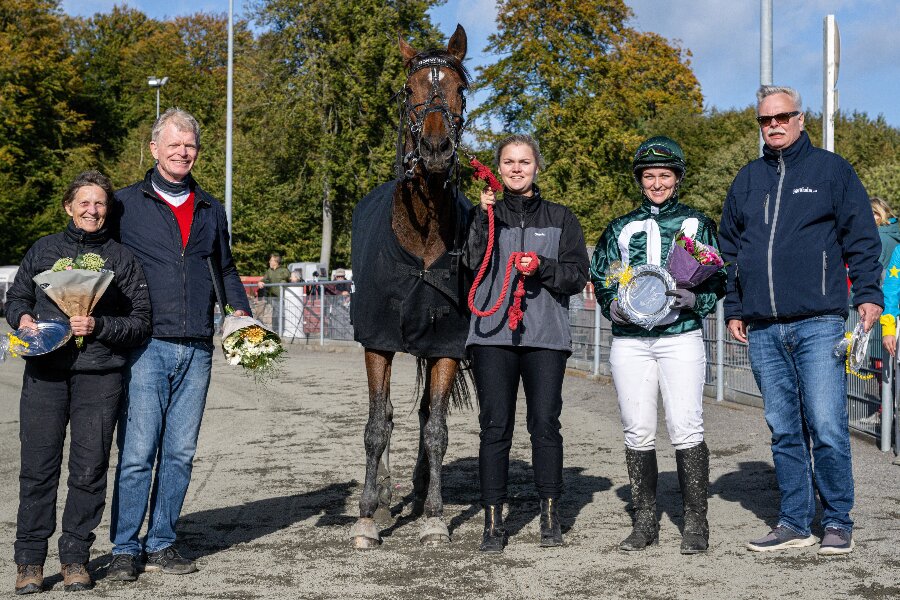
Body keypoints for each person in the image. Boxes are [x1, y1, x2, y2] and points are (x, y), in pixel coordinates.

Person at [719, 85, 883, 556]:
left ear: (800, 119)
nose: (773, 124)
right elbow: (728, 250)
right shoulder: (747, 179)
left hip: (819, 322)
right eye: (765, 119)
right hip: (764, 326)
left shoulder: (832, 171)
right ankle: (794, 521)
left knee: (828, 425)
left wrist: (869, 293)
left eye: (782, 116)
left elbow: (861, 237)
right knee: (784, 427)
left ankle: (837, 520)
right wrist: (735, 307)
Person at [108, 108, 251, 580]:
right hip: (146, 345)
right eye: (173, 144)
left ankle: (163, 541)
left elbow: (224, 269)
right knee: (137, 454)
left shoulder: (211, 208)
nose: (182, 152)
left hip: (199, 347)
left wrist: (241, 315)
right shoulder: (124, 205)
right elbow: (98, 260)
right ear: (154, 149)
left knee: (180, 453)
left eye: (189, 145)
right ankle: (126, 548)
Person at [6, 171, 151, 594]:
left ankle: (75, 559)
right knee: (37, 470)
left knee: (88, 471)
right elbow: (15, 298)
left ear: (108, 210)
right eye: (84, 203)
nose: (92, 210)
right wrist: (23, 318)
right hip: (45, 374)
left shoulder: (121, 259)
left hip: (99, 377)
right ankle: (30, 561)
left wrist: (99, 324)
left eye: (100, 204)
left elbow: (140, 322)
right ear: (69, 207)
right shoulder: (44, 249)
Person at [590, 136, 725, 554]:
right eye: (649, 176)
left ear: (677, 178)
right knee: (638, 429)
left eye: (664, 175)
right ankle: (645, 520)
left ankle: (695, 522)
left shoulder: (697, 224)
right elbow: (603, 277)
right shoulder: (620, 227)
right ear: (640, 180)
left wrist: (696, 300)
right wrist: (612, 306)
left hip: (679, 338)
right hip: (631, 342)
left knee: (686, 425)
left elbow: (718, 277)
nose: (656, 183)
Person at [464, 133, 589, 552]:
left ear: (537, 167)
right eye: (508, 162)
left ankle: (550, 517)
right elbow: (470, 265)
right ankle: (493, 523)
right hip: (492, 335)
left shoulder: (560, 217)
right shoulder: (485, 215)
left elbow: (576, 275)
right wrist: (482, 220)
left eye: (524, 162)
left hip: (545, 337)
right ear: (498, 169)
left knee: (544, 425)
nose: (516, 169)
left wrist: (542, 267)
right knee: (495, 427)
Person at [257, 253, 290, 331]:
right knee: (275, 314)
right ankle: (276, 331)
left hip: (285, 298)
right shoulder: (269, 271)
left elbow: (292, 279)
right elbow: (264, 279)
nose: (269, 262)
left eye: (271, 260)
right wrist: (260, 282)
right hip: (274, 297)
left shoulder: (284, 270)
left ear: (276, 262)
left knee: (282, 314)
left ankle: (283, 331)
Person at [871, 197, 900, 272]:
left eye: (872, 214)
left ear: (881, 213)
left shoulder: (879, 236)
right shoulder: (895, 230)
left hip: (883, 281)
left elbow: (873, 271)